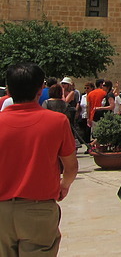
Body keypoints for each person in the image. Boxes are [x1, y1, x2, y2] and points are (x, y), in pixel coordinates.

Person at [0, 62, 78, 256]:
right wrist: (64, 185)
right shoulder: (56, 122)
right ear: (40, 89)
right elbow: (71, 166)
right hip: (39, 209)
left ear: (8, 90)